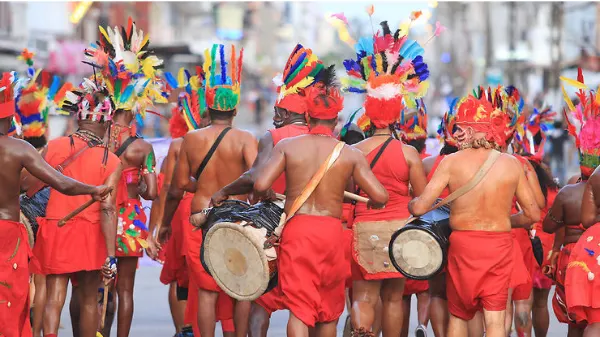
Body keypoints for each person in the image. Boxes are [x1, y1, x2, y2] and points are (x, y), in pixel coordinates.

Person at [253, 66, 389, 337]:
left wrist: (270, 194)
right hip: (331, 234)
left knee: (300, 309)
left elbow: (260, 184)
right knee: (328, 310)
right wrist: (371, 202)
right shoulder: (349, 154)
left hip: (298, 232)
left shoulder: (287, 147)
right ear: (336, 120)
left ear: (307, 115)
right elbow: (380, 196)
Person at [211, 43, 326, 337]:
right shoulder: (327, 140)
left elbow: (255, 177)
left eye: (277, 110)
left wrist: (224, 191)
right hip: (317, 227)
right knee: (312, 305)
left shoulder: (274, 136)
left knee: (262, 301)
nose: (274, 115)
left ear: (285, 113)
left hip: (275, 225)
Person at [408, 91, 541, 337]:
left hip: (463, 247)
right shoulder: (511, 163)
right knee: (495, 319)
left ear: (466, 131)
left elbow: (419, 208)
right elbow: (533, 213)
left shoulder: (450, 162)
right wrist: (507, 221)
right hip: (499, 246)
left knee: (459, 316)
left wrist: (412, 203)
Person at [68, 19, 164, 337]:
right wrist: (136, 184)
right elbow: (151, 191)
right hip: (130, 220)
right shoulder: (142, 147)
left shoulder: (95, 140)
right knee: (125, 291)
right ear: (136, 107)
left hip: (98, 215)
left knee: (91, 286)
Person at [159, 43, 257, 337]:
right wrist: (230, 189)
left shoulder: (191, 138)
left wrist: (165, 224)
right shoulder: (245, 139)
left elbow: (177, 186)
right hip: (237, 216)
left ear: (207, 108)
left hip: (201, 216)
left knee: (206, 290)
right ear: (235, 109)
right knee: (241, 286)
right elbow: (254, 179)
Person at [341, 20, 430, 337]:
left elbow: (348, 193)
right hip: (399, 231)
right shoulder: (409, 154)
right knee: (394, 297)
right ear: (397, 114)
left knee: (364, 295)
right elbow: (420, 201)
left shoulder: (354, 151)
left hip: (364, 228)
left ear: (368, 110)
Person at [28, 79, 122, 337]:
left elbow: (31, 186)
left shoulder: (56, 147)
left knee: (54, 296)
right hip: (91, 235)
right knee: (90, 298)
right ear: (104, 121)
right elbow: (108, 209)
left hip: (58, 227)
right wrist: (111, 256)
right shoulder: (111, 160)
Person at [152, 67, 211, 337]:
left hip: (183, 210)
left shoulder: (178, 144)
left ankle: (183, 330)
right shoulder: (229, 140)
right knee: (207, 275)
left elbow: (167, 188)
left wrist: (157, 228)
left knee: (180, 275)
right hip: (213, 209)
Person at [547, 69, 600, 337]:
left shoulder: (569, 189)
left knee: (578, 320)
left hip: (577, 256)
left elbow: (550, 224)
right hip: (587, 254)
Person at [512, 105, 560, 337]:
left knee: (520, 302)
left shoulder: (513, 177)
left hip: (522, 245)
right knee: (540, 304)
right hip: (546, 248)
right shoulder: (553, 185)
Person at [420, 105, 459, 337]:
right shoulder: (473, 166)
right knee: (461, 296)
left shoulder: (428, 164)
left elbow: (418, 200)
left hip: (434, 233)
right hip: (461, 232)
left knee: (436, 293)